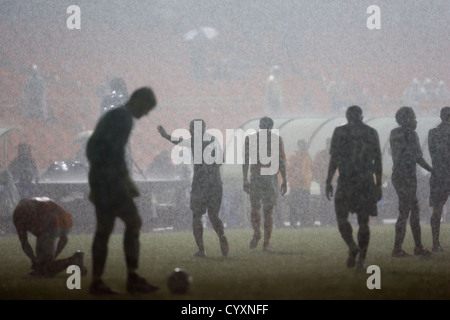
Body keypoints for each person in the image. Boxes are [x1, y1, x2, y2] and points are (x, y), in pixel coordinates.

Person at [86, 87, 159, 295]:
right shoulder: (124, 119)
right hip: (112, 182)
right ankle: (132, 277)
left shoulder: (114, 115)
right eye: (146, 108)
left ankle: (97, 281)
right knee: (134, 222)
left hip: (101, 180)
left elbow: (93, 148)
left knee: (103, 229)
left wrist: (97, 178)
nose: (146, 114)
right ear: (137, 100)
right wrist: (123, 180)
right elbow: (115, 152)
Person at [157, 119, 229, 258]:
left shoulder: (194, 141)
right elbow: (221, 160)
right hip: (215, 184)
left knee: (197, 216)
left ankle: (201, 249)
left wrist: (166, 135)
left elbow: (179, 142)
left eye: (190, 128)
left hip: (200, 184)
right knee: (214, 215)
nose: (189, 130)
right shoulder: (213, 140)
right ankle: (221, 235)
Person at [326, 106, 382, 270]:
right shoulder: (371, 133)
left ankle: (352, 245)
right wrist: (378, 185)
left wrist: (329, 181)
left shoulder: (339, 132)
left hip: (346, 182)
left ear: (347, 116)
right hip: (365, 182)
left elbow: (334, 159)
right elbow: (378, 161)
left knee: (341, 218)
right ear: (362, 116)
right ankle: (361, 261)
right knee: (363, 222)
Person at [389, 106, 433, 258]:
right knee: (406, 212)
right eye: (413, 118)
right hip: (407, 176)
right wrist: (433, 170)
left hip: (398, 176)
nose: (416, 121)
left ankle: (418, 247)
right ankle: (398, 249)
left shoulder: (394, 133)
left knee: (413, 210)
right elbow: (418, 158)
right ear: (407, 120)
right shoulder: (411, 134)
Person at [243, 116, 287, 252]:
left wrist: (245, 179)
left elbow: (245, 161)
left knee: (255, 208)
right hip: (270, 178)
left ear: (260, 126)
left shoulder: (251, 139)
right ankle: (266, 244)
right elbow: (281, 162)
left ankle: (257, 231)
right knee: (268, 212)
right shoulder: (276, 140)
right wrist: (284, 179)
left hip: (256, 176)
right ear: (271, 127)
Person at [13, 197, 87, 277]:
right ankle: (74, 261)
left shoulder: (18, 212)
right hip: (67, 221)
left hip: (48, 224)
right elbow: (64, 239)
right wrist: (53, 256)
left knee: (44, 269)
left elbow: (24, 241)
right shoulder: (40, 201)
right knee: (45, 261)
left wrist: (34, 259)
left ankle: (73, 261)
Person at [428, 106, 450, 252]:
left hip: (439, 174)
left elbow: (433, 153)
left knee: (437, 210)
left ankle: (436, 243)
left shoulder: (433, 133)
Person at [287, 139, 313, 227]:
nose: (304, 148)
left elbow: (311, 168)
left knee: (305, 205)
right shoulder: (294, 156)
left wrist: (309, 178)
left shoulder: (307, 156)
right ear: (299, 146)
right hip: (296, 186)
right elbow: (289, 168)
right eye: (302, 146)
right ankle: (294, 222)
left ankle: (304, 222)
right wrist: (295, 178)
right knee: (294, 205)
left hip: (305, 186)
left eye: (305, 146)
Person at [313, 138, 335, 226]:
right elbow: (315, 167)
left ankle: (331, 220)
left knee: (331, 202)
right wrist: (318, 178)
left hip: (333, 183)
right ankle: (325, 220)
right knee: (325, 202)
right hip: (325, 183)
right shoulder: (321, 154)